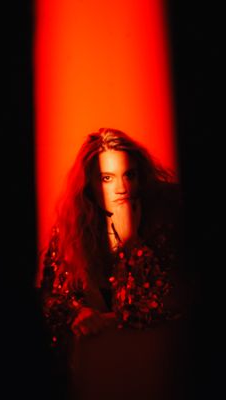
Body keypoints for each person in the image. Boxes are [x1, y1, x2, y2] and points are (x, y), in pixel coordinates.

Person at [37, 128, 191, 399]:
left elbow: (145, 312)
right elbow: (50, 299)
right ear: (89, 184)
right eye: (107, 178)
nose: (122, 189)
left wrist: (131, 243)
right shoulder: (71, 229)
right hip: (96, 373)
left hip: (157, 370)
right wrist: (77, 312)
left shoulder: (166, 220)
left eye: (128, 175)